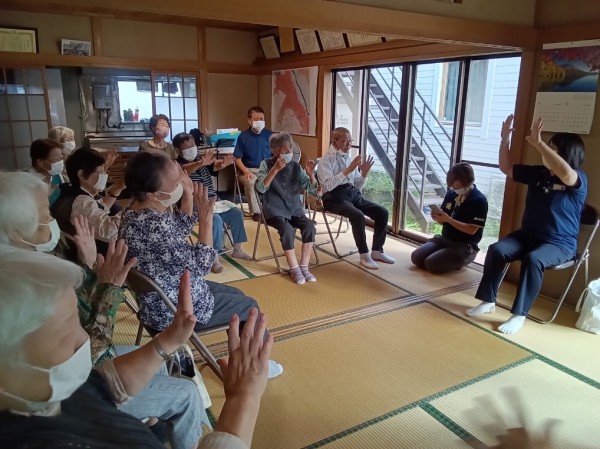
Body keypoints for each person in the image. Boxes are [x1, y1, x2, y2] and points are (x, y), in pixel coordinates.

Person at [0, 171, 208, 448]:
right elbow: (95, 350)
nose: (54, 220)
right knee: (186, 393)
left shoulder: (35, 265)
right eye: (45, 215)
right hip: (75, 383)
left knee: (159, 363)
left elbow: (81, 330)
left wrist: (89, 268)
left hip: (79, 379)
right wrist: (108, 287)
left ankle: (151, 422)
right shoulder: (23, 289)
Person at [0, 247, 267, 449]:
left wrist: (169, 340)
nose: (84, 339)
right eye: (63, 335)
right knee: (185, 392)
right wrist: (243, 400)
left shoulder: (40, 396)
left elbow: (99, 387)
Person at [119, 150, 283, 377]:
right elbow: (203, 265)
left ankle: (243, 356)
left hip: (160, 298)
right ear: (154, 194)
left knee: (236, 293)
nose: (182, 183)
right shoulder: (156, 226)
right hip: (174, 311)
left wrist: (187, 195)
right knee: (249, 306)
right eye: (176, 182)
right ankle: (255, 366)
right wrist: (206, 219)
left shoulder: (135, 212)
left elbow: (178, 230)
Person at [466, 115, 587, 334]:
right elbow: (506, 167)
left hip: (560, 244)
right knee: (496, 250)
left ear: (567, 154)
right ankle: (488, 301)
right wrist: (504, 140)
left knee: (533, 259)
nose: (546, 152)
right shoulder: (539, 173)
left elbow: (566, 174)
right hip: (527, 235)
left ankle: (519, 315)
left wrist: (539, 143)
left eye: (553, 149)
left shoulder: (577, 179)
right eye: (547, 147)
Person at [173, 132, 252, 273]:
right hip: (195, 204)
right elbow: (184, 170)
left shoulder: (200, 159)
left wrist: (224, 163)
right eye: (187, 147)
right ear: (178, 150)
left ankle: (237, 249)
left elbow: (214, 166)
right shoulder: (176, 165)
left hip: (213, 200)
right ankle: (213, 257)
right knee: (215, 219)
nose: (192, 148)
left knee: (236, 212)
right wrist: (200, 163)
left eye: (193, 145)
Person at [319, 127, 395, 270]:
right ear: (334, 141)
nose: (349, 144)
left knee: (382, 212)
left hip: (353, 194)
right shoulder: (326, 160)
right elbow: (327, 186)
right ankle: (364, 255)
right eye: (344, 141)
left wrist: (364, 174)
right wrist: (348, 170)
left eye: (350, 141)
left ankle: (377, 251)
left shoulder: (348, 158)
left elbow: (357, 186)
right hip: (334, 197)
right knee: (357, 215)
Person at [257, 132, 318, 284]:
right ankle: (294, 268)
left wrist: (311, 175)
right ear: (274, 151)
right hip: (274, 210)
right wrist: (274, 170)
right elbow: (260, 188)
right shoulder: (266, 164)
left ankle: (304, 267)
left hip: (295, 209)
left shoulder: (296, 166)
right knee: (287, 230)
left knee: (310, 227)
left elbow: (312, 190)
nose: (289, 150)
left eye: (290, 147)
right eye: (284, 148)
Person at [411, 162, 488, 274]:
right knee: (416, 257)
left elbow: (471, 230)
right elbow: (444, 220)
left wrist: (448, 220)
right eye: (453, 186)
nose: (455, 189)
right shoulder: (451, 194)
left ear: (469, 182)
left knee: (431, 264)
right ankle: (445, 256)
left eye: (458, 187)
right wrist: (438, 217)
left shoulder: (479, 200)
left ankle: (459, 260)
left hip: (464, 245)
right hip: (445, 239)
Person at [51, 147, 124, 240]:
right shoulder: (81, 201)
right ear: (81, 175)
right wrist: (134, 208)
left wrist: (119, 188)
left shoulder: (71, 190)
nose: (105, 175)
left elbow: (97, 209)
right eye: (101, 172)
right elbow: (111, 232)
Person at [233, 106, 273, 221]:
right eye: (256, 119)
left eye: (262, 119)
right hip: (247, 170)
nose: (259, 121)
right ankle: (256, 212)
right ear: (249, 121)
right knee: (251, 182)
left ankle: (275, 210)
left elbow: (275, 155)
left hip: (266, 170)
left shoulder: (270, 135)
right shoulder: (243, 137)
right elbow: (237, 159)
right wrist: (246, 171)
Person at [25, 138, 66, 205]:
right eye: (56, 159)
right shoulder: (24, 181)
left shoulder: (56, 175)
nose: (61, 162)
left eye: (61, 158)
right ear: (40, 162)